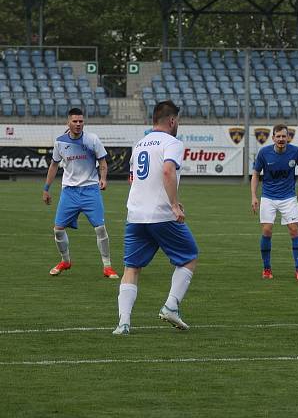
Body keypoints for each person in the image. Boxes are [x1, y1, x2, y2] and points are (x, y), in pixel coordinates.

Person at [112, 100, 199, 335]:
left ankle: (123, 323)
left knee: (132, 267)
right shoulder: (173, 142)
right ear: (172, 120)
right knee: (189, 257)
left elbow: (133, 179)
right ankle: (171, 306)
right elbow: (168, 170)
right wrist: (173, 204)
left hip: (136, 214)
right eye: (177, 120)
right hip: (161, 214)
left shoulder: (139, 144)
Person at [42, 107, 118, 278]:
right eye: (75, 121)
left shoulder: (92, 139)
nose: (78, 124)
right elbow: (54, 165)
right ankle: (65, 261)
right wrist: (46, 189)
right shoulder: (60, 142)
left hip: (91, 189)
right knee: (58, 230)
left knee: (100, 228)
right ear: (68, 122)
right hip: (69, 191)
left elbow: (102, 162)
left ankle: (107, 266)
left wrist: (103, 178)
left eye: (81, 121)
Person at [250, 124, 298, 280]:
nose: (281, 139)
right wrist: (254, 196)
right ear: (273, 138)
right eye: (279, 136)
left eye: (284, 136)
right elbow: (255, 174)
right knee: (267, 230)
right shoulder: (264, 153)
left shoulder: (295, 151)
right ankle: (267, 269)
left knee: (294, 230)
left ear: (288, 137)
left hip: (288, 197)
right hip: (268, 197)